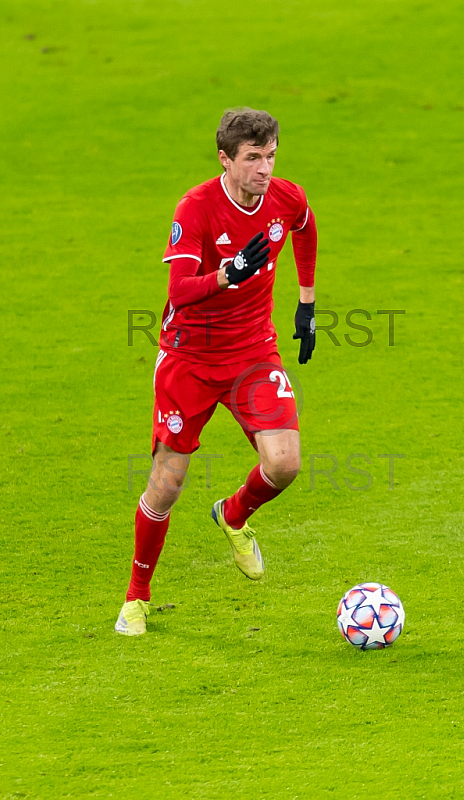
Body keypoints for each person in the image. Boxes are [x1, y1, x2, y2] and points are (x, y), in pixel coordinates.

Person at [115, 107, 317, 635]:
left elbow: (305, 224)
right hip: (190, 359)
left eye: (271, 156)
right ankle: (137, 597)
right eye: (253, 158)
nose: (265, 169)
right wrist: (227, 275)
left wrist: (306, 304)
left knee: (286, 463)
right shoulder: (198, 208)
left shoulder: (284, 196)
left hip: (253, 352)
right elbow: (179, 291)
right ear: (225, 159)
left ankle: (233, 514)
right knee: (166, 485)